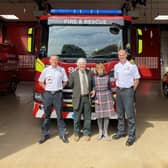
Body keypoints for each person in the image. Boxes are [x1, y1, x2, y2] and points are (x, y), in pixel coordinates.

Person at [112, 49, 140, 146]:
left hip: (128, 91)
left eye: (122, 55)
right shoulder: (116, 66)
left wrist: (132, 91)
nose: (121, 56)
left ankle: (131, 136)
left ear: (126, 55)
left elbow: (136, 79)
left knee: (130, 115)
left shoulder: (132, 66)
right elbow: (116, 78)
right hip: (119, 91)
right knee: (120, 114)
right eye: (119, 55)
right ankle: (121, 132)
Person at [38, 55, 69, 144]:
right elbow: (40, 81)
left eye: (56, 60)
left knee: (59, 115)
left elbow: (65, 81)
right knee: (47, 115)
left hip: (58, 94)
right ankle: (45, 134)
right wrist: (46, 88)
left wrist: (60, 88)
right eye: (53, 60)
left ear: (58, 61)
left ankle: (62, 134)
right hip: (48, 94)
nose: (54, 61)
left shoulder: (61, 70)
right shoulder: (45, 70)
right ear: (50, 61)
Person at [69, 58, 94, 142]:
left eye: (83, 63)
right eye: (80, 64)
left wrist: (94, 90)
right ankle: (76, 133)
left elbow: (93, 84)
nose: (82, 65)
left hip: (87, 98)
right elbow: (71, 85)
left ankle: (87, 133)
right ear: (77, 65)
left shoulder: (90, 73)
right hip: (77, 98)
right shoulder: (73, 74)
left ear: (86, 64)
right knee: (77, 117)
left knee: (87, 117)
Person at [93, 63, 114, 140]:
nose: (100, 70)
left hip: (107, 96)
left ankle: (105, 132)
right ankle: (100, 132)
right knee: (99, 116)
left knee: (106, 116)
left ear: (103, 69)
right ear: (96, 70)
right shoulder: (94, 78)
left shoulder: (107, 77)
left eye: (101, 68)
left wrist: (112, 99)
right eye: (98, 69)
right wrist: (95, 98)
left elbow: (110, 88)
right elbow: (93, 90)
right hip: (98, 97)